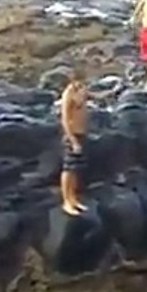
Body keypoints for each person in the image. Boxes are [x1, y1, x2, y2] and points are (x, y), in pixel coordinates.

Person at [59, 72, 88, 215]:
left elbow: (95, 96)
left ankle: (73, 198)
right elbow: (64, 119)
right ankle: (66, 201)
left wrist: (113, 92)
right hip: (72, 135)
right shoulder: (68, 94)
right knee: (68, 169)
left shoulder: (81, 91)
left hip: (81, 133)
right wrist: (73, 141)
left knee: (76, 168)